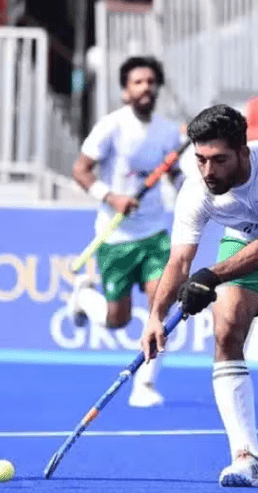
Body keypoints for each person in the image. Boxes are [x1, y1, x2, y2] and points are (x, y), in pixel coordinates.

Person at [139, 104, 258, 488]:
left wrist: (208, 276)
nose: (208, 172)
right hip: (244, 241)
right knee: (226, 328)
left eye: (219, 160)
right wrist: (155, 316)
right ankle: (246, 458)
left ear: (243, 152)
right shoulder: (195, 191)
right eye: (200, 160)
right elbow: (180, 260)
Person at [68, 56, 184, 408]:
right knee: (116, 320)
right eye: (138, 82)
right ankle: (85, 299)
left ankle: (144, 383)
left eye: (151, 81)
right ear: (125, 91)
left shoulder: (167, 131)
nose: (146, 87)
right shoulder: (111, 126)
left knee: (160, 307)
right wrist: (112, 197)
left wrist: (191, 193)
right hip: (115, 237)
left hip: (154, 235)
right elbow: (81, 170)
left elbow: (174, 175)